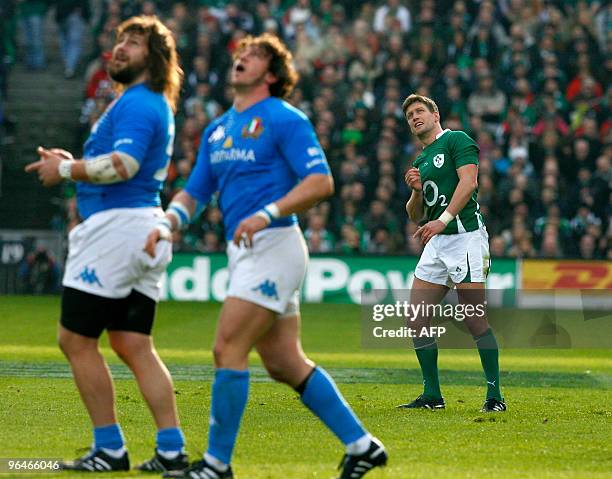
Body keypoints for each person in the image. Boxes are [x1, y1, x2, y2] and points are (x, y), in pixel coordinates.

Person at [144, 33, 388, 479]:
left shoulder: (284, 118)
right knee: (283, 363)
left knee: (227, 347)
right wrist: (167, 223)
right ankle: (362, 446)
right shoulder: (218, 129)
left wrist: (266, 213)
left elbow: (320, 182)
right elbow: (195, 192)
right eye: (239, 53)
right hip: (247, 253)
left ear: (271, 75)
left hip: (275, 245)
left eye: (253, 55)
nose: (240, 58)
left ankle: (217, 465)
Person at [25, 16, 190, 472]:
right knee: (133, 343)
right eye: (119, 41)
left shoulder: (138, 103)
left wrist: (63, 170)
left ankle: (109, 448)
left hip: (117, 230)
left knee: (74, 340)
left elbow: (124, 165)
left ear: (153, 58)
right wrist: (74, 162)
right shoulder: (147, 102)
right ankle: (172, 451)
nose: (120, 49)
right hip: (143, 228)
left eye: (133, 43)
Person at [400, 94, 506, 413]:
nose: (415, 117)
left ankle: (494, 396)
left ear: (436, 114)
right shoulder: (420, 161)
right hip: (438, 241)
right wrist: (416, 192)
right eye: (409, 115)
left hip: (465, 238)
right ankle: (432, 395)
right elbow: (414, 214)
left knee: (474, 319)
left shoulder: (456, 140)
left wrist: (441, 220)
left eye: (420, 111)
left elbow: (469, 182)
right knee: (416, 318)